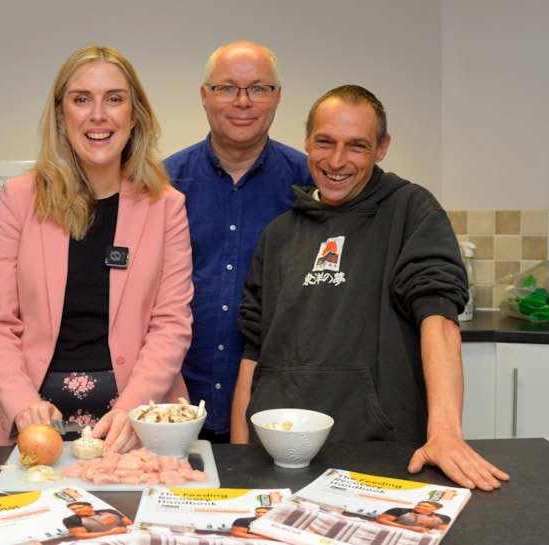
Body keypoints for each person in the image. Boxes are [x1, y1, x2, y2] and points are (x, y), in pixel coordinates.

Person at [230, 84, 510, 491]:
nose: (337, 160)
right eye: (324, 142)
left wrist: (446, 432)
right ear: (307, 139)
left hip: (379, 457)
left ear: (382, 147)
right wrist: (241, 456)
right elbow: (252, 353)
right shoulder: (279, 234)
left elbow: (440, 320)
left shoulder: (412, 211)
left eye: (357, 146)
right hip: (277, 460)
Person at [0, 45, 193, 453]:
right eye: (81, 99)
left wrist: (133, 410)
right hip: (29, 422)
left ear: (134, 114)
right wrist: (24, 406)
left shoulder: (166, 206)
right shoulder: (18, 199)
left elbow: (171, 325)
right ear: (60, 114)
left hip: (137, 422)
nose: (98, 115)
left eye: (114, 99)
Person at [164, 41, 312, 443]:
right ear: (204, 96)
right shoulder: (162, 183)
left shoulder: (311, 184)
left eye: (258, 88)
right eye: (227, 87)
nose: (243, 101)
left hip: (280, 410)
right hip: (174, 407)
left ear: (277, 97)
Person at [62, 501, 133, 539]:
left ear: (91, 507)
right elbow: (81, 535)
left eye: (80, 507)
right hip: (100, 540)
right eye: (73, 509)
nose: (77, 510)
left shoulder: (109, 511)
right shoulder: (71, 519)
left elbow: (130, 523)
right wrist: (110, 533)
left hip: (126, 534)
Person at [377, 501, 451, 533]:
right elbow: (380, 519)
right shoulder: (400, 510)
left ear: (436, 509)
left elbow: (442, 531)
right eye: (419, 505)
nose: (420, 507)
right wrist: (410, 528)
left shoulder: (444, 518)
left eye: (426, 506)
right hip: (393, 532)